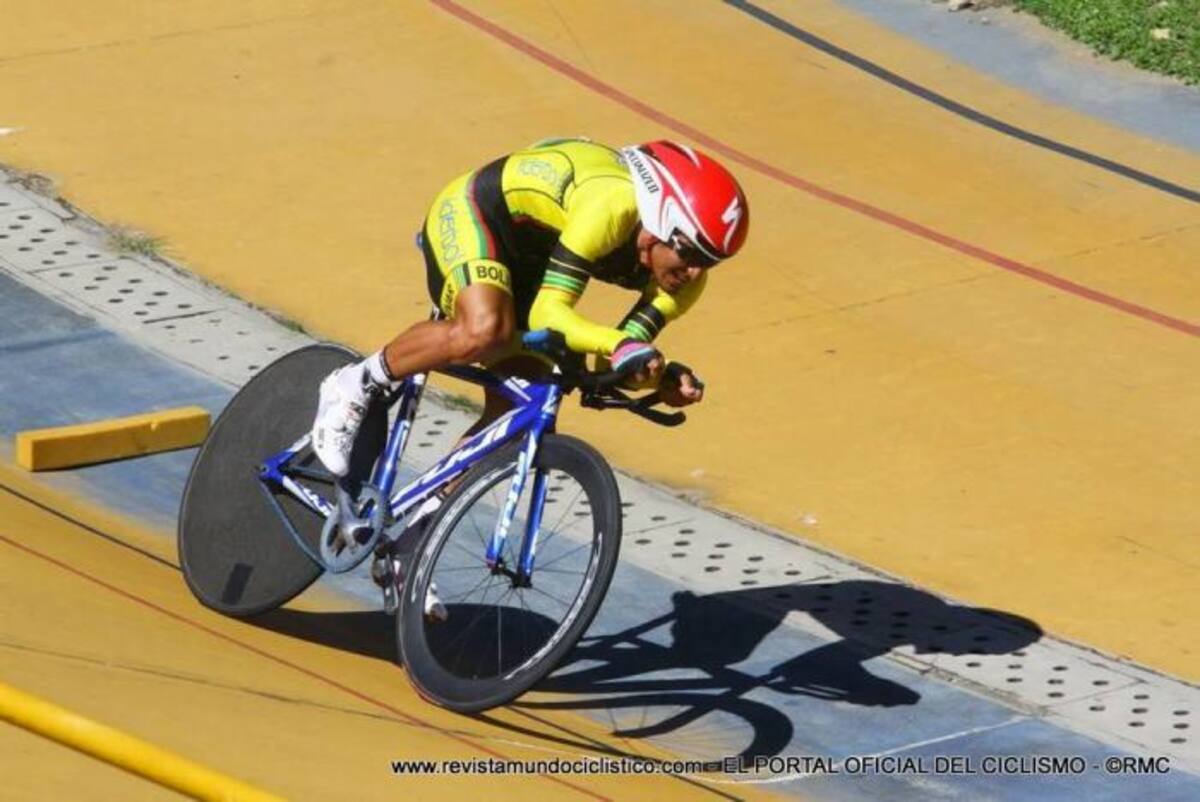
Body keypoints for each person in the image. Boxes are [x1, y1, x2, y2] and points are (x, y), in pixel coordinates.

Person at [311, 138, 750, 480]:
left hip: (534, 258)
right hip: (478, 213)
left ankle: (416, 536)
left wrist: (653, 373)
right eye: (691, 254)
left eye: (711, 261)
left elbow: (606, 363)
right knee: (485, 330)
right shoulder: (610, 207)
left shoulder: (683, 284)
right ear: (658, 226)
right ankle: (355, 383)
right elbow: (548, 316)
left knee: (519, 413)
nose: (695, 273)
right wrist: (621, 345)